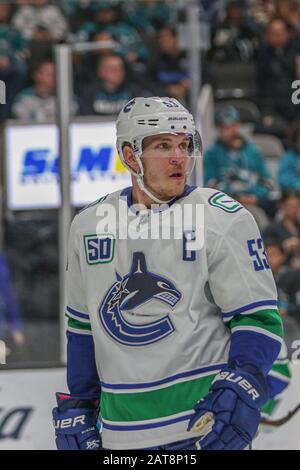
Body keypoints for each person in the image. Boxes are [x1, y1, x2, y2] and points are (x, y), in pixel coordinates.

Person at [53, 97, 283, 450]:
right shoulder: (88, 226)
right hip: (120, 434)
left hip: (202, 427)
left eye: (184, 144)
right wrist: (81, 403)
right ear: (130, 156)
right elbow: (83, 328)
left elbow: (257, 318)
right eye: (163, 145)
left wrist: (244, 380)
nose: (180, 157)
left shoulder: (222, 217)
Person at [204, 105, 271, 230]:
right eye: (221, 127)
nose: (225, 132)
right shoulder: (211, 154)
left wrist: (256, 197)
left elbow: (267, 182)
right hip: (225, 205)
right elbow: (211, 184)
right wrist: (236, 197)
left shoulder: (253, 151)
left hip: (255, 201)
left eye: (229, 127)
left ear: (237, 126)